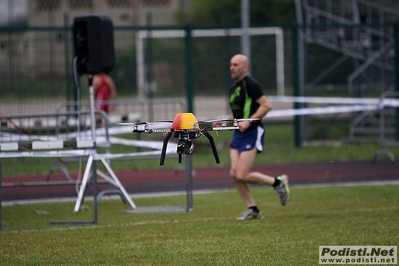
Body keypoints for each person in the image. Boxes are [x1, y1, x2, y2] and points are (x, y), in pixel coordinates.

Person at [213, 54, 290, 220]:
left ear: (245, 68)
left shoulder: (250, 84)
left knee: (242, 174)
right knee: (235, 174)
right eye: (230, 64)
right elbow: (236, 112)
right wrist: (224, 123)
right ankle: (253, 210)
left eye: (235, 64)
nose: (231, 68)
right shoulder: (234, 89)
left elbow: (266, 105)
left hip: (252, 133)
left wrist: (249, 121)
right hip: (238, 135)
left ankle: (277, 183)